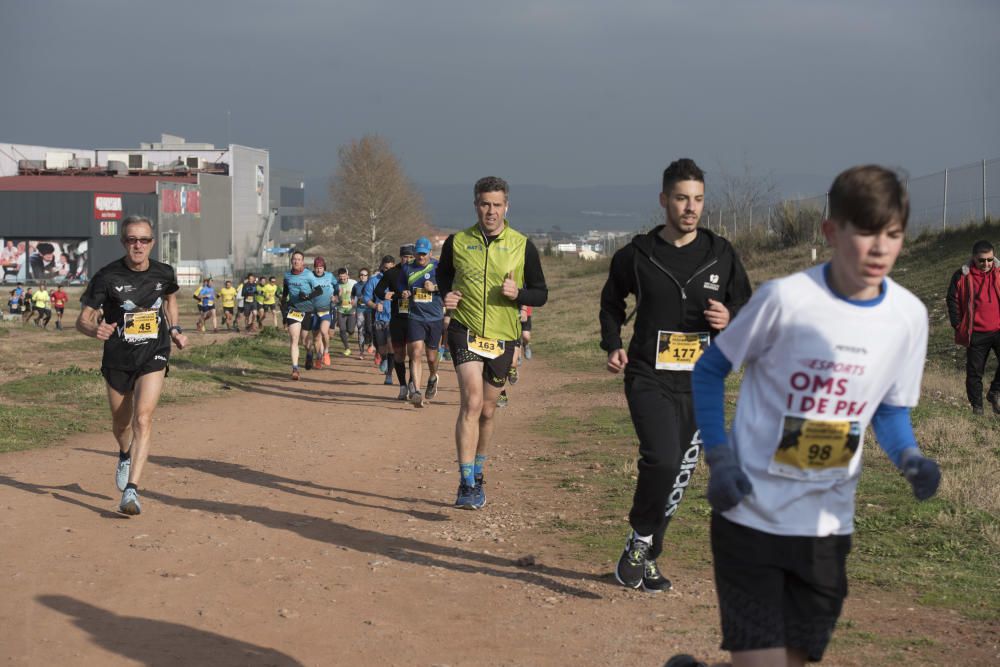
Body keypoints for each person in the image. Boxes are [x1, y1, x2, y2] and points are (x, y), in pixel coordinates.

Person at [681, 165, 941, 667]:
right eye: (865, 232)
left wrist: (910, 456)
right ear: (831, 232)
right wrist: (721, 457)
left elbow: (888, 408)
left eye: (893, 234)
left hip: (826, 527)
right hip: (749, 515)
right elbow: (710, 369)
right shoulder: (786, 300)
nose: (880, 248)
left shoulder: (908, 317)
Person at [599, 158, 752, 592]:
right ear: (664, 200)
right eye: (682, 198)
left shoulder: (721, 254)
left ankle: (645, 551)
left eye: (698, 199)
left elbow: (746, 306)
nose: (691, 208)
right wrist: (612, 343)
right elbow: (611, 302)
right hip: (648, 373)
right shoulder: (638, 255)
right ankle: (641, 539)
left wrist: (731, 315)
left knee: (680, 471)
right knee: (662, 458)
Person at [438, 176, 548, 509]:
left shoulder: (521, 244)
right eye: (485, 204)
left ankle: (479, 470)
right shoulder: (457, 242)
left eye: (497, 204)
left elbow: (541, 293)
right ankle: (466, 482)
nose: (491, 211)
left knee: (487, 410)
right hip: (465, 330)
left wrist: (519, 295)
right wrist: (447, 295)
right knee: (471, 402)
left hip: (503, 336)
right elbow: (442, 275)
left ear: (506, 207)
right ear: (476, 205)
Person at [75, 214, 189, 515]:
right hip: (118, 357)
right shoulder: (106, 276)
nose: (138, 245)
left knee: (143, 419)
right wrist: (93, 330)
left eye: (144, 240)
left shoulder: (165, 273)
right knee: (122, 423)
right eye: (132, 240)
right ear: (123, 242)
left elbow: (170, 300)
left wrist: (175, 329)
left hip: (154, 352)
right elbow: (82, 320)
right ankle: (124, 453)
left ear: (152, 242)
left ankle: (132, 491)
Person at [947, 240, 1000, 415]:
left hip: (998, 330)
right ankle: (977, 408)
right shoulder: (961, 276)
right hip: (976, 333)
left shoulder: (999, 272)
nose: (986, 264)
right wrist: (957, 324)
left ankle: (994, 393)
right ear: (973, 258)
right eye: (982, 260)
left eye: (990, 260)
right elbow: (952, 299)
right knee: (975, 373)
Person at [401, 236, 444, 407]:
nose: (421, 257)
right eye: (418, 254)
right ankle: (417, 392)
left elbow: (451, 286)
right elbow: (401, 287)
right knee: (416, 352)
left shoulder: (438, 268)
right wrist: (403, 293)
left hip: (435, 318)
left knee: (432, 357)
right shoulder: (407, 269)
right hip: (415, 317)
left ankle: (433, 376)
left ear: (430, 253)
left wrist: (434, 288)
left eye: (424, 254)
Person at [375, 246, 416, 399]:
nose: (408, 260)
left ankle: (413, 383)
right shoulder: (392, 273)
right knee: (399, 355)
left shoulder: (420, 272)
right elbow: (378, 290)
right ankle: (403, 386)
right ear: (400, 257)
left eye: (411, 257)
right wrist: (388, 295)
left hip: (416, 319)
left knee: (415, 353)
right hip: (398, 319)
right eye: (405, 257)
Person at [281, 250, 323, 380]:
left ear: (302, 262)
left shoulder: (309, 275)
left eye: (299, 259)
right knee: (294, 339)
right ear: (291, 261)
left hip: (307, 310)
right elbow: (284, 295)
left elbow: (319, 290)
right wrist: (284, 314)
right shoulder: (287, 276)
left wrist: (307, 296)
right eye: (294, 259)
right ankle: (295, 369)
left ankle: (309, 351)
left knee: (305, 340)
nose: (296, 261)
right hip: (293, 310)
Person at [364, 255, 396, 386]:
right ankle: (383, 358)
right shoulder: (373, 280)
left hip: (393, 318)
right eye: (386, 268)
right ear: (382, 266)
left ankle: (389, 375)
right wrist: (375, 306)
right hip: (379, 319)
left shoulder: (398, 279)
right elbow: (366, 299)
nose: (388, 270)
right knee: (382, 348)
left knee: (391, 345)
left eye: (390, 268)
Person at [309, 257, 336, 369]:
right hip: (313, 311)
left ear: (324, 268)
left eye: (321, 268)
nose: (319, 270)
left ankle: (326, 352)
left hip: (326, 310)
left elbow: (337, 286)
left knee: (324, 331)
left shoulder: (329, 276)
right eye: (317, 268)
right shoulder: (309, 276)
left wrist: (336, 295)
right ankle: (318, 357)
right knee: (316, 338)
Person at [334, 268, 358, 357]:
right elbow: (335, 299)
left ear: (347, 275)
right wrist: (337, 298)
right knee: (342, 330)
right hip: (341, 310)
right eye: (341, 278)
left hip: (351, 310)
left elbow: (358, 294)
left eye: (344, 277)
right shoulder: (337, 285)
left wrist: (355, 301)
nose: (342, 279)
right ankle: (347, 348)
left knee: (350, 330)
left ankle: (350, 332)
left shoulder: (353, 283)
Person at [353, 267, 372, 358]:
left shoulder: (371, 284)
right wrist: (353, 301)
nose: (363, 277)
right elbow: (353, 296)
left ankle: (371, 344)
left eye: (365, 275)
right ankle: (361, 352)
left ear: (368, 276)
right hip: (360, 310)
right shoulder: (356, 286)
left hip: (370, 310)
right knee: (360, 330)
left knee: (369, 329)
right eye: (361, 275)